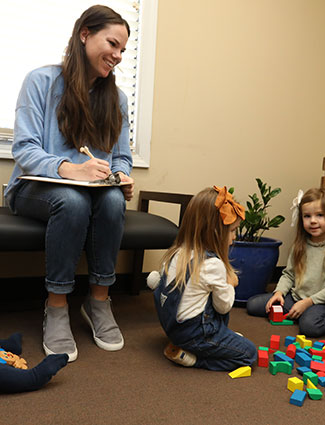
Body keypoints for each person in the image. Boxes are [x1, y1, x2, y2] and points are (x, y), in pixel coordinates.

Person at [4, 5, 135, 362]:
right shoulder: (41, 81)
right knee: (72, 201)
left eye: (123, 49)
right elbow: (24, 149)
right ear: (84, 34)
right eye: (113, 43)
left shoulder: (117, 99)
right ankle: (57, 304)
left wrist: (120, 175)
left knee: (112, 202)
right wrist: (68, 168)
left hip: (92, 194)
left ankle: (98, 302)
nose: (118, 56)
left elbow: (121, 156)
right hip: (33, 189)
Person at [146, 186, 257, 371]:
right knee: (249, 354)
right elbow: (224, 306)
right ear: (215, 233)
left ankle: (205, 344)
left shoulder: (176, 253)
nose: (234, 238)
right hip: (196, 336)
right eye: (232, 231)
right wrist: (230, 285)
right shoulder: (212, 265)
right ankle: (195, 359)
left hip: (173, 329)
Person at [246, 188, 325, 338]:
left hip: (322, 302)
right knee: (253, 304)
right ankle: (299, 312)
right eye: (307, 216)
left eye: (320, 215)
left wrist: (308, 303)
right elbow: (288, 274)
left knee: (309, 326)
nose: (313, 221)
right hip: (296, 297)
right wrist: (279, 292)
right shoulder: (299, 246)